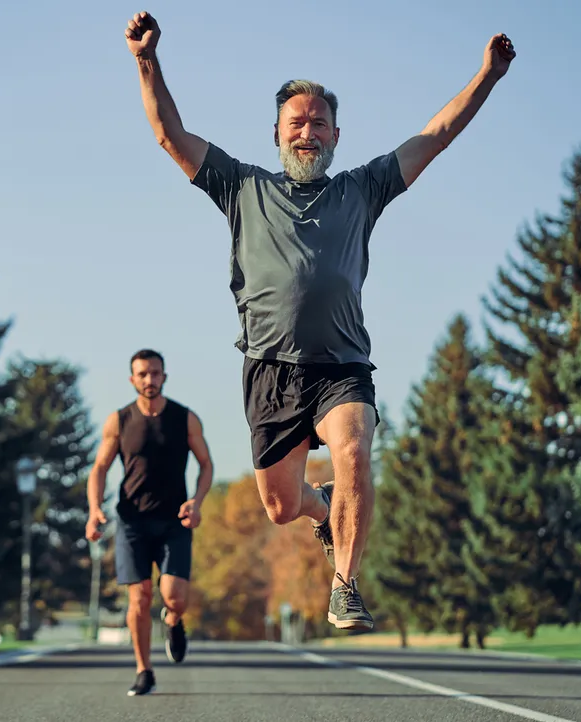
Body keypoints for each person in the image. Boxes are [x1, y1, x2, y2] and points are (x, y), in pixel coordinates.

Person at [123, 11, 516, 632]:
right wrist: (146, 59)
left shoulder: (363, 188)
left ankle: (345, 585)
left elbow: (435, 135)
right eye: (296, 122)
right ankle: (322, 508)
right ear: (278, 134)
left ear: (336, 135)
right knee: (281, 506)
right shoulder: (241, 186)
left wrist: (487, 76)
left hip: (343, 366)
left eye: (319, 123)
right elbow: (171, 135)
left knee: (355, 448)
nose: (308, 131)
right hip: (269, 370)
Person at [85, 348, 214, 696]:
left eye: (155, 373)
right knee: (139, 597)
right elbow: (99, 468)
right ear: (132, 379)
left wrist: (196, 502)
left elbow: (206, 464)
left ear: (164, 376)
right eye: (142, 374)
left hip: (175, 521)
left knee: (175, 597)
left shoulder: (185, 418)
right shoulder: (119, 420)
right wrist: (95, 509)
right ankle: (144, 671)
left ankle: (173, 620)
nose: (149, 379)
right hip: (132, 522)